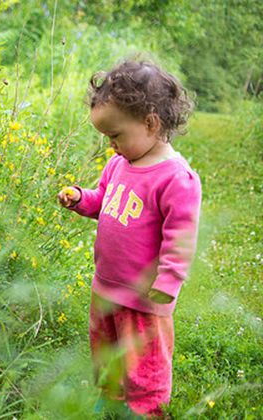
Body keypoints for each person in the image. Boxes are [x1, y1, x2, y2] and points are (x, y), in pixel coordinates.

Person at [57, 59, 201, 418]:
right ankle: (110, 398)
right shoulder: (118, 164)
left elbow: (180, 236)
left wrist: (169, 281)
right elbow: (104, 200)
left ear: (151, 123)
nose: (110, 145)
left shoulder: (175, 179)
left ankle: (146, 409)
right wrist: (80, 198)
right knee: (106, 351)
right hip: (105, 288)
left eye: (116, 135)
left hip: (144, 298)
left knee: (144, 361)